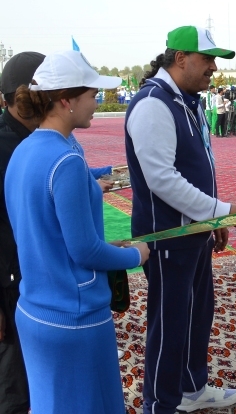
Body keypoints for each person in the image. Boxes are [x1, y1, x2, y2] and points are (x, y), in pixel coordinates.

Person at [5, 50, 150, 413]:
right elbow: (85, 251)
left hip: (34, 309)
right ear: (66, 100)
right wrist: (137, 253)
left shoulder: (25, 149)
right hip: (74, 317)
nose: (97, 103)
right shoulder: (66, 160)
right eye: (92, 95)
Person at [126, 26, 236, 413]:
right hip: (167, 236)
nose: (214, 69)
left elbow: (196, 166)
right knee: (169, 325)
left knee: (197, 314)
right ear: (180, 58)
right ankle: (159, 404)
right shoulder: (154, 103)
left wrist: (210, 221)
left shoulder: (186, 100)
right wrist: (221, 212)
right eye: (207, 60)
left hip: (194, 231)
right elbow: (162, 179)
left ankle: (191, 388)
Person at [0, 51, 45, 414]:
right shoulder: (4, 146)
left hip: (27, 275)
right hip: (6, 282)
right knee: (14, 381)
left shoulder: (32, 139)